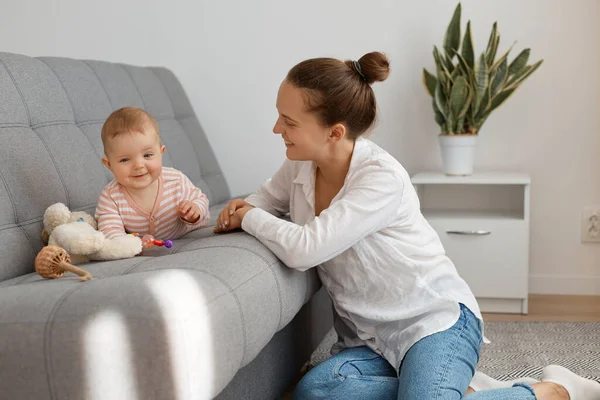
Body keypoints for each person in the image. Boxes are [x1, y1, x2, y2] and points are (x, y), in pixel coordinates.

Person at [214, 52, 600, 400]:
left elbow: (304, 248)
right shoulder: (300, 164)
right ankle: (457, 390)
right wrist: (234, 209)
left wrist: (248, 217)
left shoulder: (380, 178)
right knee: (317, 392)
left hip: (432, 322)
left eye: (289, 121)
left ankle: (553, 391)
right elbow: (265, 199)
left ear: (334, 132)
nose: (276, 129)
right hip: (369, 341)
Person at [96, 106, 210, 241]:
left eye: (147, 155)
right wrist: (134, 244)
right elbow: (110, 231)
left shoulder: (175, 180)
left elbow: (201, 199)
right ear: (109, 165)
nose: (138, 165)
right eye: (125, 159)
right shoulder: (111, 197)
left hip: (186, 234)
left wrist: (194, 211)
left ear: (161, 153)